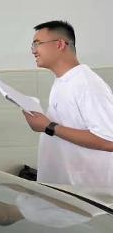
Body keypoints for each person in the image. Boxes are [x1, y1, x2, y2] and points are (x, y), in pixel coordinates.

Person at [24, 20, 113, 186]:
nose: (33, 51)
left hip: (89, 193)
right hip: (67, 189)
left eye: (37, 44)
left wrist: (49, 127)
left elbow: (109, 141)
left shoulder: (87, 84)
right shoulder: (63, 81)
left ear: (59, 44)